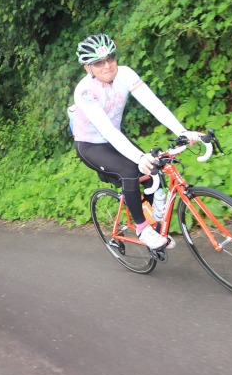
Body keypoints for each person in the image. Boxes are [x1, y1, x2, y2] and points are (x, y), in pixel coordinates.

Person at [69, 33, 201, 249]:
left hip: (115, 138)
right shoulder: (84, 92)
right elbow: (107, 131)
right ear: (88, 68)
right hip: (91, 145)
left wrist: (182, 131)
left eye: (110, 58)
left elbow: (154, 105)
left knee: (154, 170)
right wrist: (139, 157)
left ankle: (153, 223)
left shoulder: (125, 74)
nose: (107, 65)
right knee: (130, 170)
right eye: (98, 63)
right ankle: (142, 229)